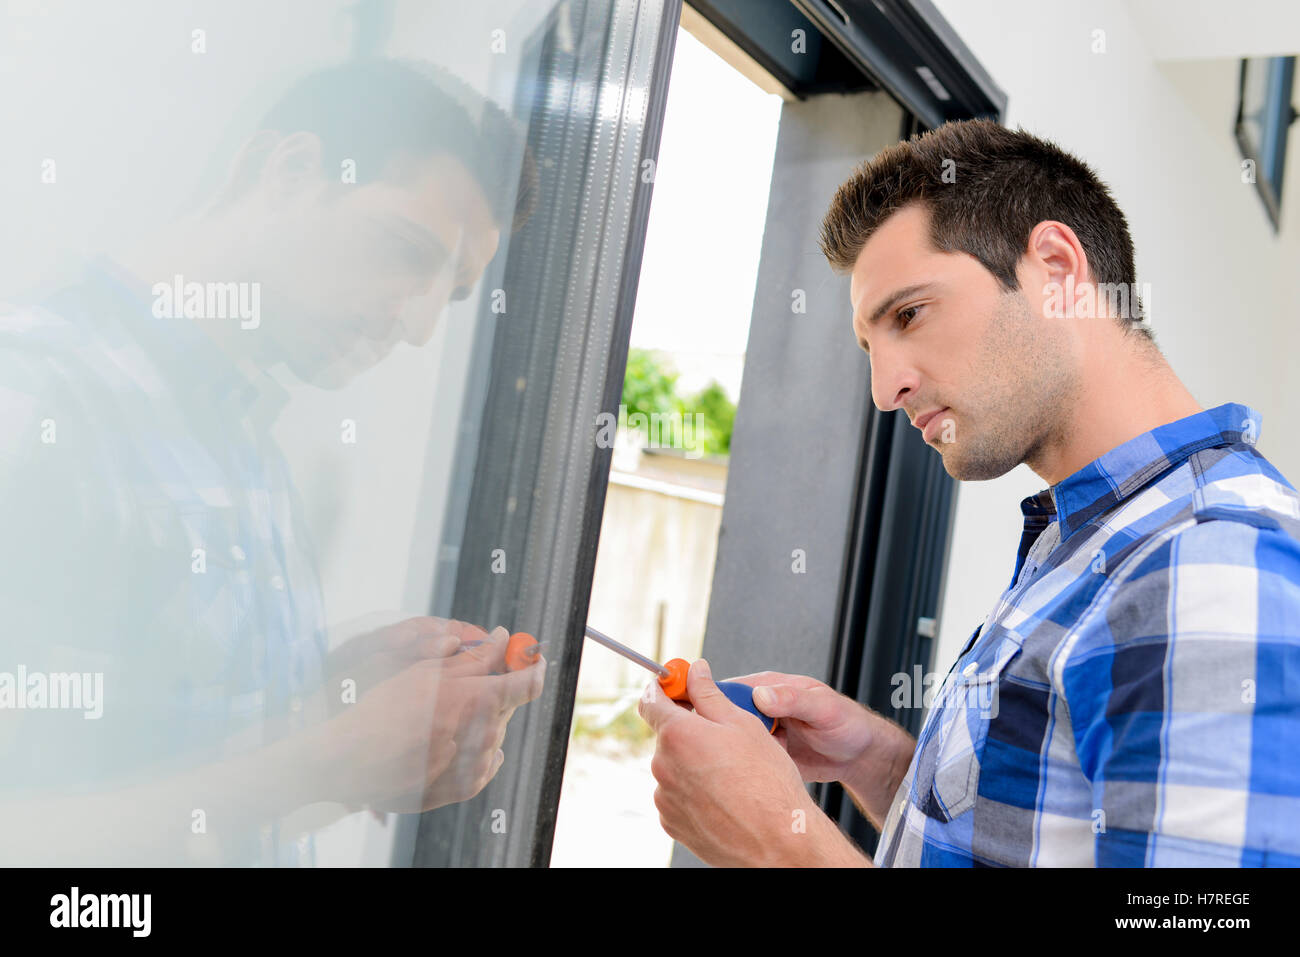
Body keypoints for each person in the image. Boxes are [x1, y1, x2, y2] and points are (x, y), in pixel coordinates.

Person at [640, 118, 1300, 867]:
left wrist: (775, 842)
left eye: (910, 314)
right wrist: (882, 763)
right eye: (870, 344)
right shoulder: (1091, 536)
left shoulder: (1213, 561)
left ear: (1055, 270)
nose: (886, 388)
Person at [0, 58, 543, 865]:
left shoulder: (245, 444)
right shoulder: (36, 396)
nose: (419, 322)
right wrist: (325, 760)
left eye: (452, 291)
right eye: (404, 249)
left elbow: (162, 779)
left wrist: (329, 700)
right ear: (284, 169)